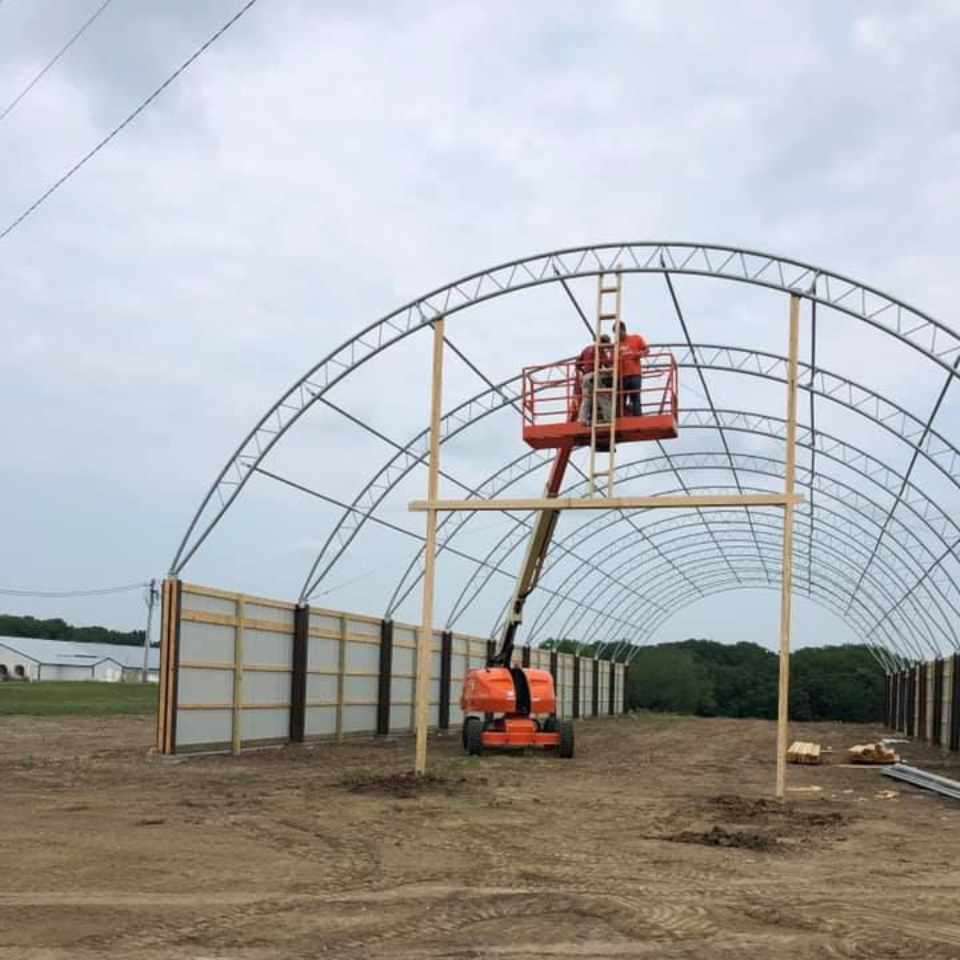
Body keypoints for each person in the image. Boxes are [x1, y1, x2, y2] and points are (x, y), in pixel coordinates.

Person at [576, 335, 613, 425]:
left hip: (585, 378)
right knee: (603, 396)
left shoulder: (586, 349)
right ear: (604, 342)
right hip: (594, 376)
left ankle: (582, 420)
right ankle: (608, 418)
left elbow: (577, 364)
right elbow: (607, 364)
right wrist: (611, 371)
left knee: (586, 399)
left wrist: (584, 371)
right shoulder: (600, 350)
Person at [617, 321, 649, 416]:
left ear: (623, 330)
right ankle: (621, 418)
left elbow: (646, 351)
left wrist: (635, 354)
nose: (617, 335)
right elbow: (611, 360)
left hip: (635, 374)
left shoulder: (636, 338)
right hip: (622, 375)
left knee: (635, 397)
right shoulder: (616, 345)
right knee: (621, 399)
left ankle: (637, 417)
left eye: (618, 332)